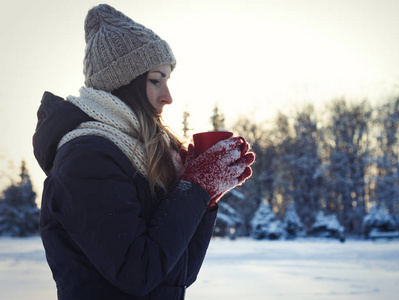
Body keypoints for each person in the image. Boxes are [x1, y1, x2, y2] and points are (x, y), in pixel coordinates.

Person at [32, 4, 255, 300]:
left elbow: (179, 275)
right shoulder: (87, 159)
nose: (168, 97)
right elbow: (139, 273)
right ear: (124, 82)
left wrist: (203, 197)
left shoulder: (138, 155)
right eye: (155, 80)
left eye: (166, 80)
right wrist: (195, 187)